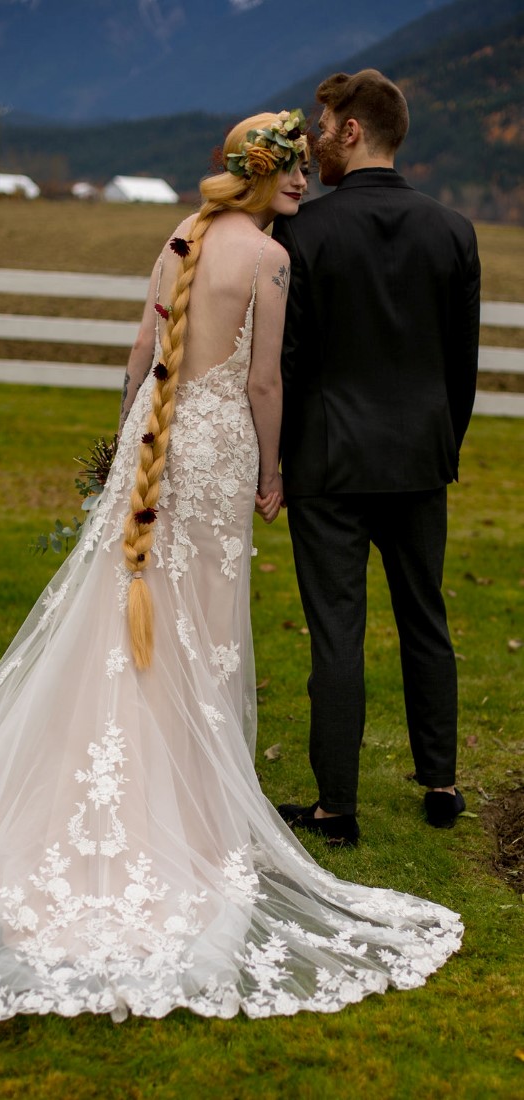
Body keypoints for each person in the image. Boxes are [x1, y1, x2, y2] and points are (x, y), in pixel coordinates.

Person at [0, 111, 463, 1025]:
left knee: (124, 607)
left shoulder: (181, 235)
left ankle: (112, 782)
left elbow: (142, 355)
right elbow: (262, 383)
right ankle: (187, 813)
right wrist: (271, 468)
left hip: (157, 439)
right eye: (295, 168)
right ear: (262, 174)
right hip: (218, 446)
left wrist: (126, 444)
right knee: (201, 622)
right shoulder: (270, 260)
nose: (307, 181)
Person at [271, 70, 481, 847]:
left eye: (326, 124)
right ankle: (440, 784)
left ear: (353, 131)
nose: (317, 140)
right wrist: (437, 442)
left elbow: (289, 362)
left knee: (337, 632)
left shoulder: (305, 231)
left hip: (328, 461)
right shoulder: (452, 231)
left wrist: (283, 459)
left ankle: (336, 807)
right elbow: (461, 367)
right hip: (421, 458)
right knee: (426, 620)